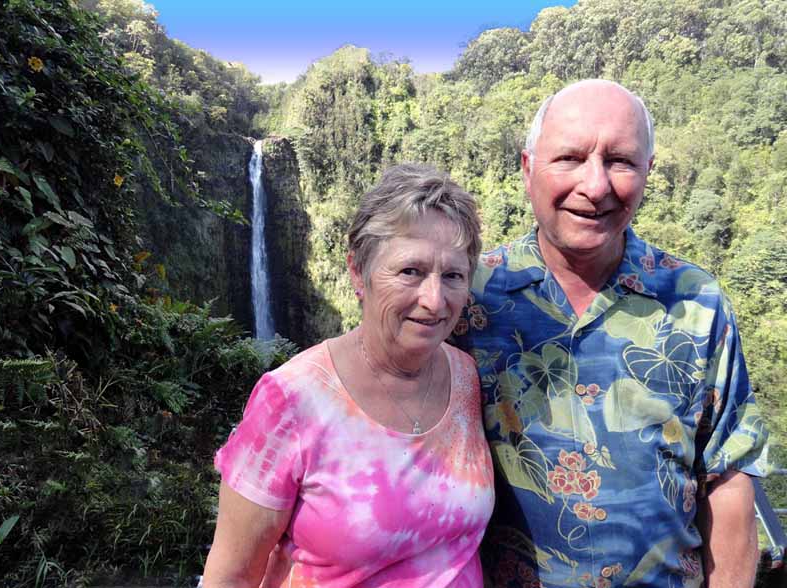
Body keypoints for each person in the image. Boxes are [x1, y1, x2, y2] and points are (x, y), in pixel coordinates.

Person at [454, 80, 770, 588]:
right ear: (527, 167)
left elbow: (728, 477)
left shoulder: (695, 302)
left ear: (648, 170)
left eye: (620, 160)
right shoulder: (467, 298)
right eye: (570, 158)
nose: (595, 185)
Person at [203, 164, 495, 588]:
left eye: (452, 275)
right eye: (410, 271)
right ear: (359, 272)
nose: (434, 301)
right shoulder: (290, 400)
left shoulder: (466, 377)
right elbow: (229, 577)